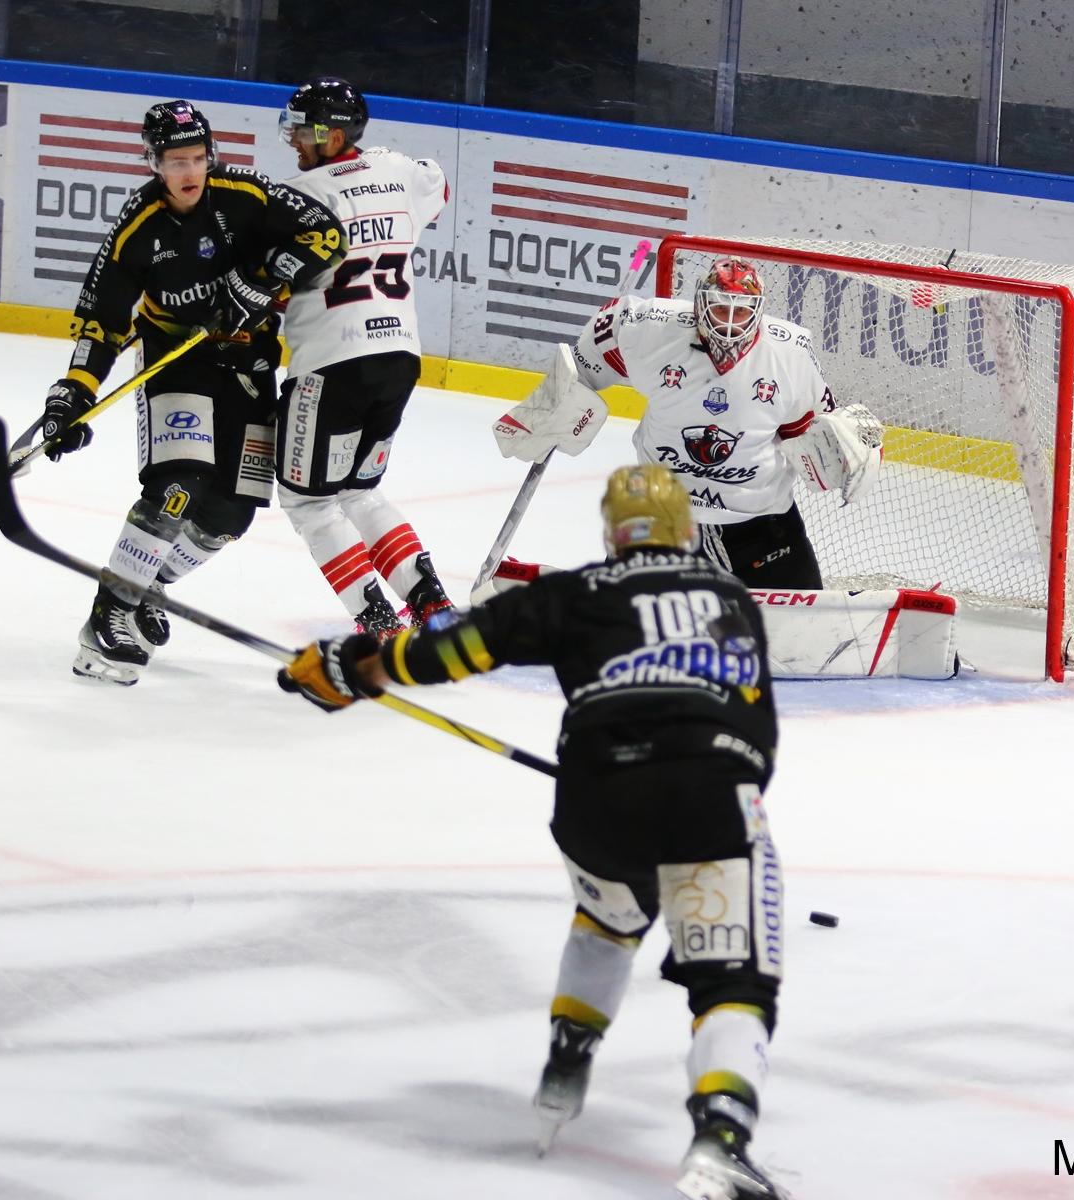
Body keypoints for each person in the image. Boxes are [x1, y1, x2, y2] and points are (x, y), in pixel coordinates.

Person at [277, 464, 790, 1200]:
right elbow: (756, 729)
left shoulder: (574, 592)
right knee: (733, 980)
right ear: (684, 528)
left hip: (596, 796)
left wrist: (356, 668)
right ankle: (720, 1138)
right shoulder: (733, 598)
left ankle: (565, 1062)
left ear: (613, 533)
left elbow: (448, 651)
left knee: (608, 921)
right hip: (711, 794)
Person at [39, 99, 346, 685]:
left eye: (198, 158)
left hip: (249, 363)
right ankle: (110, 612)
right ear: (153, 162)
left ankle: (150, 586)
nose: (189, 172)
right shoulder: (137, 225)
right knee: (178, 483)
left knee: (230, 514)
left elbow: (326, 232)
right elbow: (100, 320)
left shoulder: (247, 194)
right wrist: (72, 393)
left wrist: (260, 282)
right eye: (175, 160)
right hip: (175, 363)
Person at [485, 256, 882, 597]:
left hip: (761, 528)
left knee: (808, 623)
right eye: (720, 308)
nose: (728, 323)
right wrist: (555, 404)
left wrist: (844, 454)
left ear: (758, 311)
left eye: (740, 311)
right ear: (699, 306)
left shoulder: (790, 355)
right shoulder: (646, 330)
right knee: (617, 623)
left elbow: (806, 437)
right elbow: (583, 366)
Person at [271, 76, 455, 635]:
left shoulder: (297, 197)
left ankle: (378, 622)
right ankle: (433, 606)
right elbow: (439, 189)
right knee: (360, 490)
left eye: (304, 130)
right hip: (399, 357)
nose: (294, 141)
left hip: (332, 364)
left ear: (331, 134)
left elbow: (271, 288)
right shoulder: (399, 171)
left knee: (309, 503)